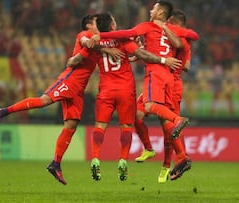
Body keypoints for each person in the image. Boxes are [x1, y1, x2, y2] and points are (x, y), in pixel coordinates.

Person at [67, 12, 182, 182]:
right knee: (126, 127)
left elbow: (74, 60)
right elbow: (143, 55)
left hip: (106, 90)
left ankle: (96, 158)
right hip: (126, 91)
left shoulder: (95, 43)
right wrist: (163, 60)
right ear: (113, 26)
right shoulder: (122, 40)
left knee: (100, 126)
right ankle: (122, 160)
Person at [0, 14, 102, 185]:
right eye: (96, 22)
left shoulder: (98, 41)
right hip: (70, 80)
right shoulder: (84, 35)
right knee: (44, 101)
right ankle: (4, 111)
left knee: (71, 124)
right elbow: (86, 43)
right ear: (88, 25)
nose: (99, 24)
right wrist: (93, 42)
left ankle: (55, 163)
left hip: (79, 89)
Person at [134, 9, 192, 183]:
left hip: (171, 85)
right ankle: (169, 155)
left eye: (171, 24)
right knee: (138, 112)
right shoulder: (166, 37)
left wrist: (174, 58)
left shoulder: (180, 39)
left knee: (168, 125)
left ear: (178, 25)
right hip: (161, 80)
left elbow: (186, 65)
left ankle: (175, 161)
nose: (167, 27)